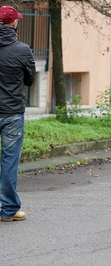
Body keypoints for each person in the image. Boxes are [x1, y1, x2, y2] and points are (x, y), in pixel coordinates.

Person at [0, 6, 36, 222]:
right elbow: (30, 80)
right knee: (9, 161)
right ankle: (8, 209)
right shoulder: (23, 50)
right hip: (12, 112)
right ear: (14, 23)